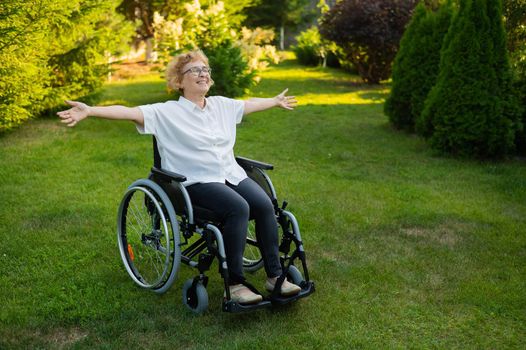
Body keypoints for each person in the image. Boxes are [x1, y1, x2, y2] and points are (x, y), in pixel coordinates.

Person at [57, 49, 300, 305]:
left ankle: (275, 276)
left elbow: (249, 104)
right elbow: (128, 112)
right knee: (238, 208)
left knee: (263, 205)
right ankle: (235, 284)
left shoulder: (221, 106)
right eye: (194, 70)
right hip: (195, 182)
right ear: (179, 81)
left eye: (205, 69)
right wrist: (91, 110)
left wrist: (273, 101)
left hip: (229, 174)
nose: (202, 74)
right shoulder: (166, 112)